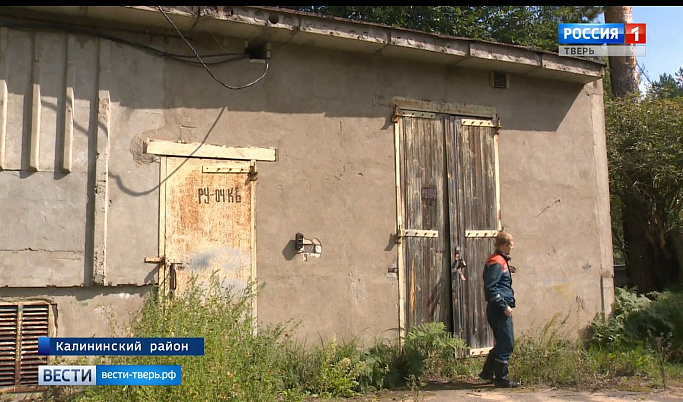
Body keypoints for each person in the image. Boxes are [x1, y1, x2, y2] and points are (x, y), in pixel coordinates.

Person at [478, 230, 520, 388]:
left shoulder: (500, 260)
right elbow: (491, 288)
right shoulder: (497, 262)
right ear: (503, 245)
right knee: (506, 343)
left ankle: (487, 373)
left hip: (499, 307)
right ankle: (502, 379)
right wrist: (504, 306)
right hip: (499, 309)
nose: (512, 247)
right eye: (511, 244)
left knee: (502, 341)